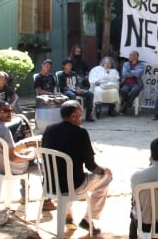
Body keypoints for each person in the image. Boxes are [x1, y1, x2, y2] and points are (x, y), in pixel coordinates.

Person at [42, 100, 113, 235]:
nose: (82, 118)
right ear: (73, 116)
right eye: (80, 116)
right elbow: (91, 166)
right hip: (72, 186)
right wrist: (104, 171)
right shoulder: (81, 133)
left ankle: (68, 215)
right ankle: (88, 219)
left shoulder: (49, 129)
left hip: (50, 184)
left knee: (66, 175)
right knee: (106, 179)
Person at [0, 101, 55, 210]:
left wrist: (25, 151)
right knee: (46, 166)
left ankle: (24, 196)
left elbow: (10, 152)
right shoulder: (4, 130)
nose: (10, 114)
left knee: (29, 154)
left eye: (11, 110)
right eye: (5, 111)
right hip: (9, 167)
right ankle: (47, 201)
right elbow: (13, 157)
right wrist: (30, 156)